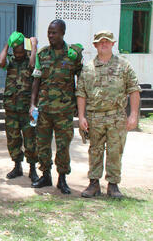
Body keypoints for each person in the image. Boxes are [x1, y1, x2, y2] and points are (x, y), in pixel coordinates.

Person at [76, 30, 141, 199]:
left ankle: (113, 185)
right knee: (95, 151)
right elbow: (81, 93)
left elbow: (134, 90)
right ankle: (93, 184)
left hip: (116, 116)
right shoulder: (88, 68)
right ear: (95, 45)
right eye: (100, 41)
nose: (104, 44)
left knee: (115, 151)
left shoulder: (124, 65)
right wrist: (81, 117)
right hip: (94, 117)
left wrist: (133, 115)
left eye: (107, 41)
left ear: (113, 44)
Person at [30, 19, 83, 194]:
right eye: (49, 32)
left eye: (54, 32)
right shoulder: (42, 54)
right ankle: (46, 175)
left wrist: (81, 106)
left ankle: (62, 179)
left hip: (64, 111)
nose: (51, 35)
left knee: (63, 146)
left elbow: (81, 80)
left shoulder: (72, 55)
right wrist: (32, 104)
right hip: (44, 110)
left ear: (63, 33)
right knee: (42, 145)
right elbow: (36, 80)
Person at [0, 31, 39, 183]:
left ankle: (33, 169)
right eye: (15, 50)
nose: (18, 53)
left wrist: (34, 47)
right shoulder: (11, 60)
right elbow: (0, 62)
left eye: (20, 50)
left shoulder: (31, 57)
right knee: (13, 139)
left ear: (25, 47)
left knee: (31, 140)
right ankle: (17, 167)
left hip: (29, 108)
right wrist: (8, 43)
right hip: (11, 109)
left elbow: (33, 66)